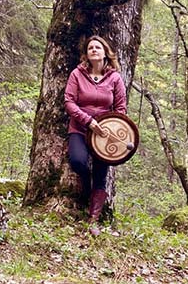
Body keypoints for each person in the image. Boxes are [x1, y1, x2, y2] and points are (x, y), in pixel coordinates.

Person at [64, 35, 127, 235]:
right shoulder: (77, 74)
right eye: (90, 47)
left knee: (101, 174)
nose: (94, 50)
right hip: (81, 128)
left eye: (97, 47)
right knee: (78, 162)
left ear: (105, 52)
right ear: (87, 54)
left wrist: (111, 127)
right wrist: (88, 121)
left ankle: (93, 220)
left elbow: (121, 108)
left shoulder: (115, 78)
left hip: (105, 135)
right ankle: (87, 191)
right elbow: (69, 102)